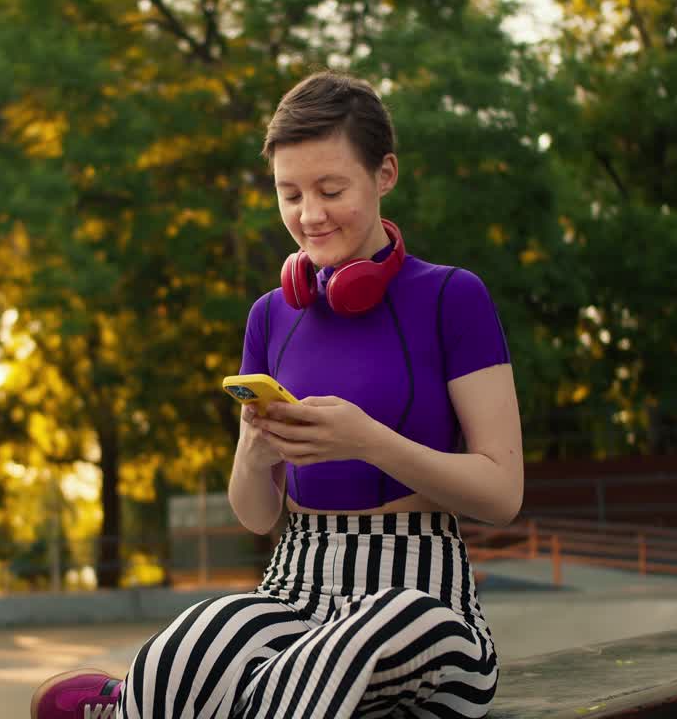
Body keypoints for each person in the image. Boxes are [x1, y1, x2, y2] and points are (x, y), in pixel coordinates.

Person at [31, 70, 523, 719]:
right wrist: (256, 455)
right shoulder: (270, 315)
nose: (309, 215)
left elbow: (502, 493)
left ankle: (161, 706)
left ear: (385, 175)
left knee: (336, 656)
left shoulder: (453, 297)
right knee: (183, 650)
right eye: (289, 193)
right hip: (295, 581)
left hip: (420, 596)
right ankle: (142, 699)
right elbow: (258, 516)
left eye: (330, 189)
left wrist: (367, 441)